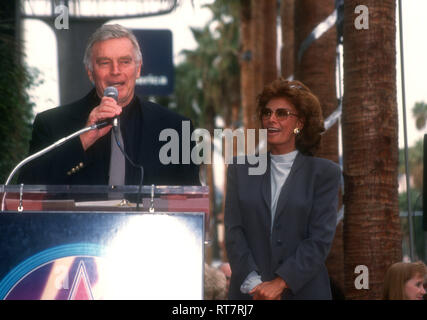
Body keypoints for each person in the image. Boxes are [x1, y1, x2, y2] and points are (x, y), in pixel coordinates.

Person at [18, 24, 199, 187]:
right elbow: (26, 190)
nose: (115, 71)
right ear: (90, 72)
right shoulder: (51, 124)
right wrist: (83, 139)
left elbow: (190, 202)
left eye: (125, 62)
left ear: (138, 69)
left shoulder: (175, 128)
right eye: (105, 63)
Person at [224, 78, 341, 300]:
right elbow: (233, 233)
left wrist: (280, 283)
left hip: (305, 293)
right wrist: (256, 286)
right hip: (249, 294)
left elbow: (319, 240)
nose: (271, 119)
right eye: (267, 113)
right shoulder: (240, 169)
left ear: (300, 123)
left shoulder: (325, 174)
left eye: (282, 113)